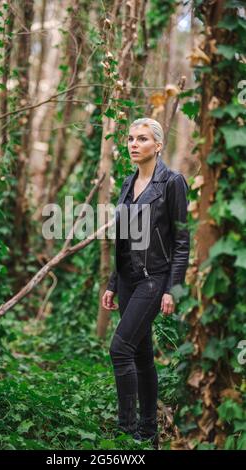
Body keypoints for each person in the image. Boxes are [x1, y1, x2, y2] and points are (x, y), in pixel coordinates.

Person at [102, 117, 190, 448]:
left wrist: (172, 288)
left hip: (154, 279)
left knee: (119, 347)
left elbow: (182, 241)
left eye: (142, 139)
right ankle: (150, 431)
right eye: (130, 139)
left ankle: (126, 433)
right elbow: (123, 237)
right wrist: (112, 282)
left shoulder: (172, 182)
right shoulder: (127, 183)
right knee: (141, 355)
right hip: (127, 279)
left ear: (158, 145)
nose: (133, 144)